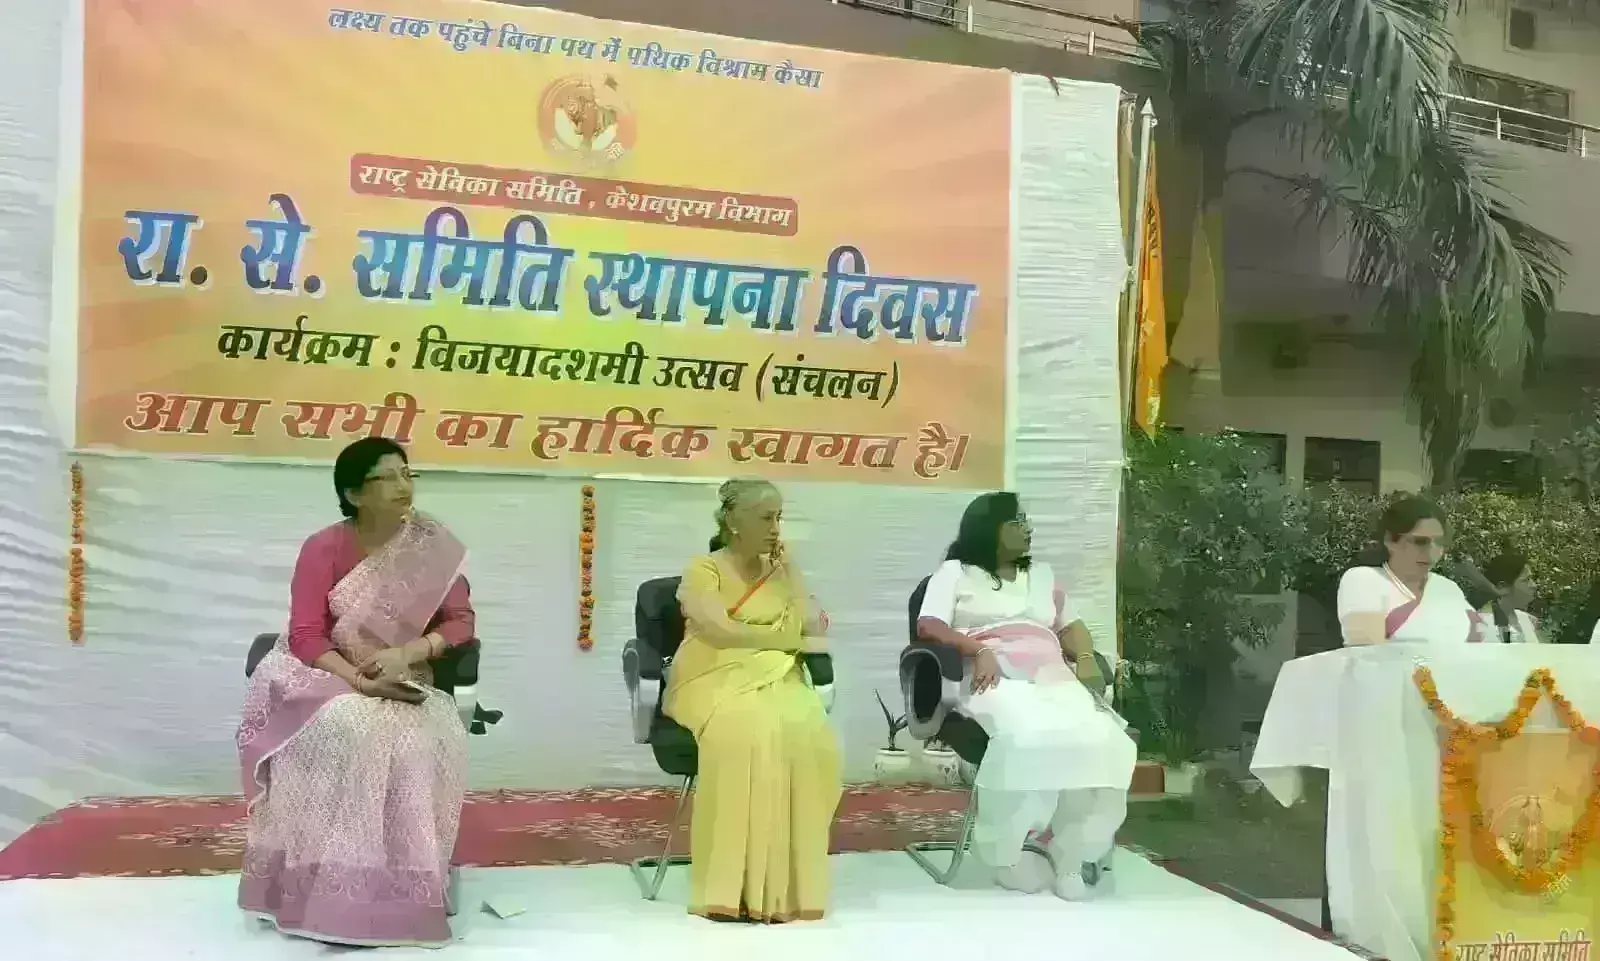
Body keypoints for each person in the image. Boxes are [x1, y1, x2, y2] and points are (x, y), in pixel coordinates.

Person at [237, 438, 475, 947]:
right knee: (352, 724)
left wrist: (408, 653)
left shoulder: (430, 547)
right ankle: (323, 889)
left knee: (418, 737)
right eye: (387, 477)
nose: (403, 485)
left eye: (407, 473)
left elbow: (460, 623)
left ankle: (403, 891)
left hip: (399, 670)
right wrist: (359, 680)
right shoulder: (323, 547)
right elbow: (305, 635)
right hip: (321, 672)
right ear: (353, 493)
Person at [915, 491, 1136, 900]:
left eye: (1026, 521)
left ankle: (1071, 857)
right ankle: (1007, 857)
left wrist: (1086, 657)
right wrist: (977, 649)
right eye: (1016, 522)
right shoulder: (955, 572)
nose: (1027, 528)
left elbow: (1071, 627)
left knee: (1104, 741)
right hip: (991, 677)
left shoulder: (1043, 577)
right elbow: (929, 625)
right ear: (989, 528)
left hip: (1052, 678)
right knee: (1025, 739)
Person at [664, 478, 840, 923]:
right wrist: (784, 640)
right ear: (732, 520)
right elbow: (720, 632)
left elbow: (813, 627)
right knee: (744, 729)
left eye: (779, 517)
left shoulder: (781, 571)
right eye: (765, 518)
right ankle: (731, 886)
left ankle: (786, 887)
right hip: (710, 673)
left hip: (777, 672)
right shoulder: (703, 569)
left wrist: (792, 572)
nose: (775, 528)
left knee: (808, 730)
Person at [1337, 495, 1483, 645]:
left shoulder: (1447, 588)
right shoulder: (1364, 580)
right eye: (1420, 541)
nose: (1432, 552)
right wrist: (1415, 605)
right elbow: (1367, 647)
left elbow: (1480, 639)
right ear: (1391, 541)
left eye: (1439, 542)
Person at [1476, 550, 1542, 643]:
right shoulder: (1482, 627)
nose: (1534, 585)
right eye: (1526, 580)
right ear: (1502, 587)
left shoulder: (1527, 620)